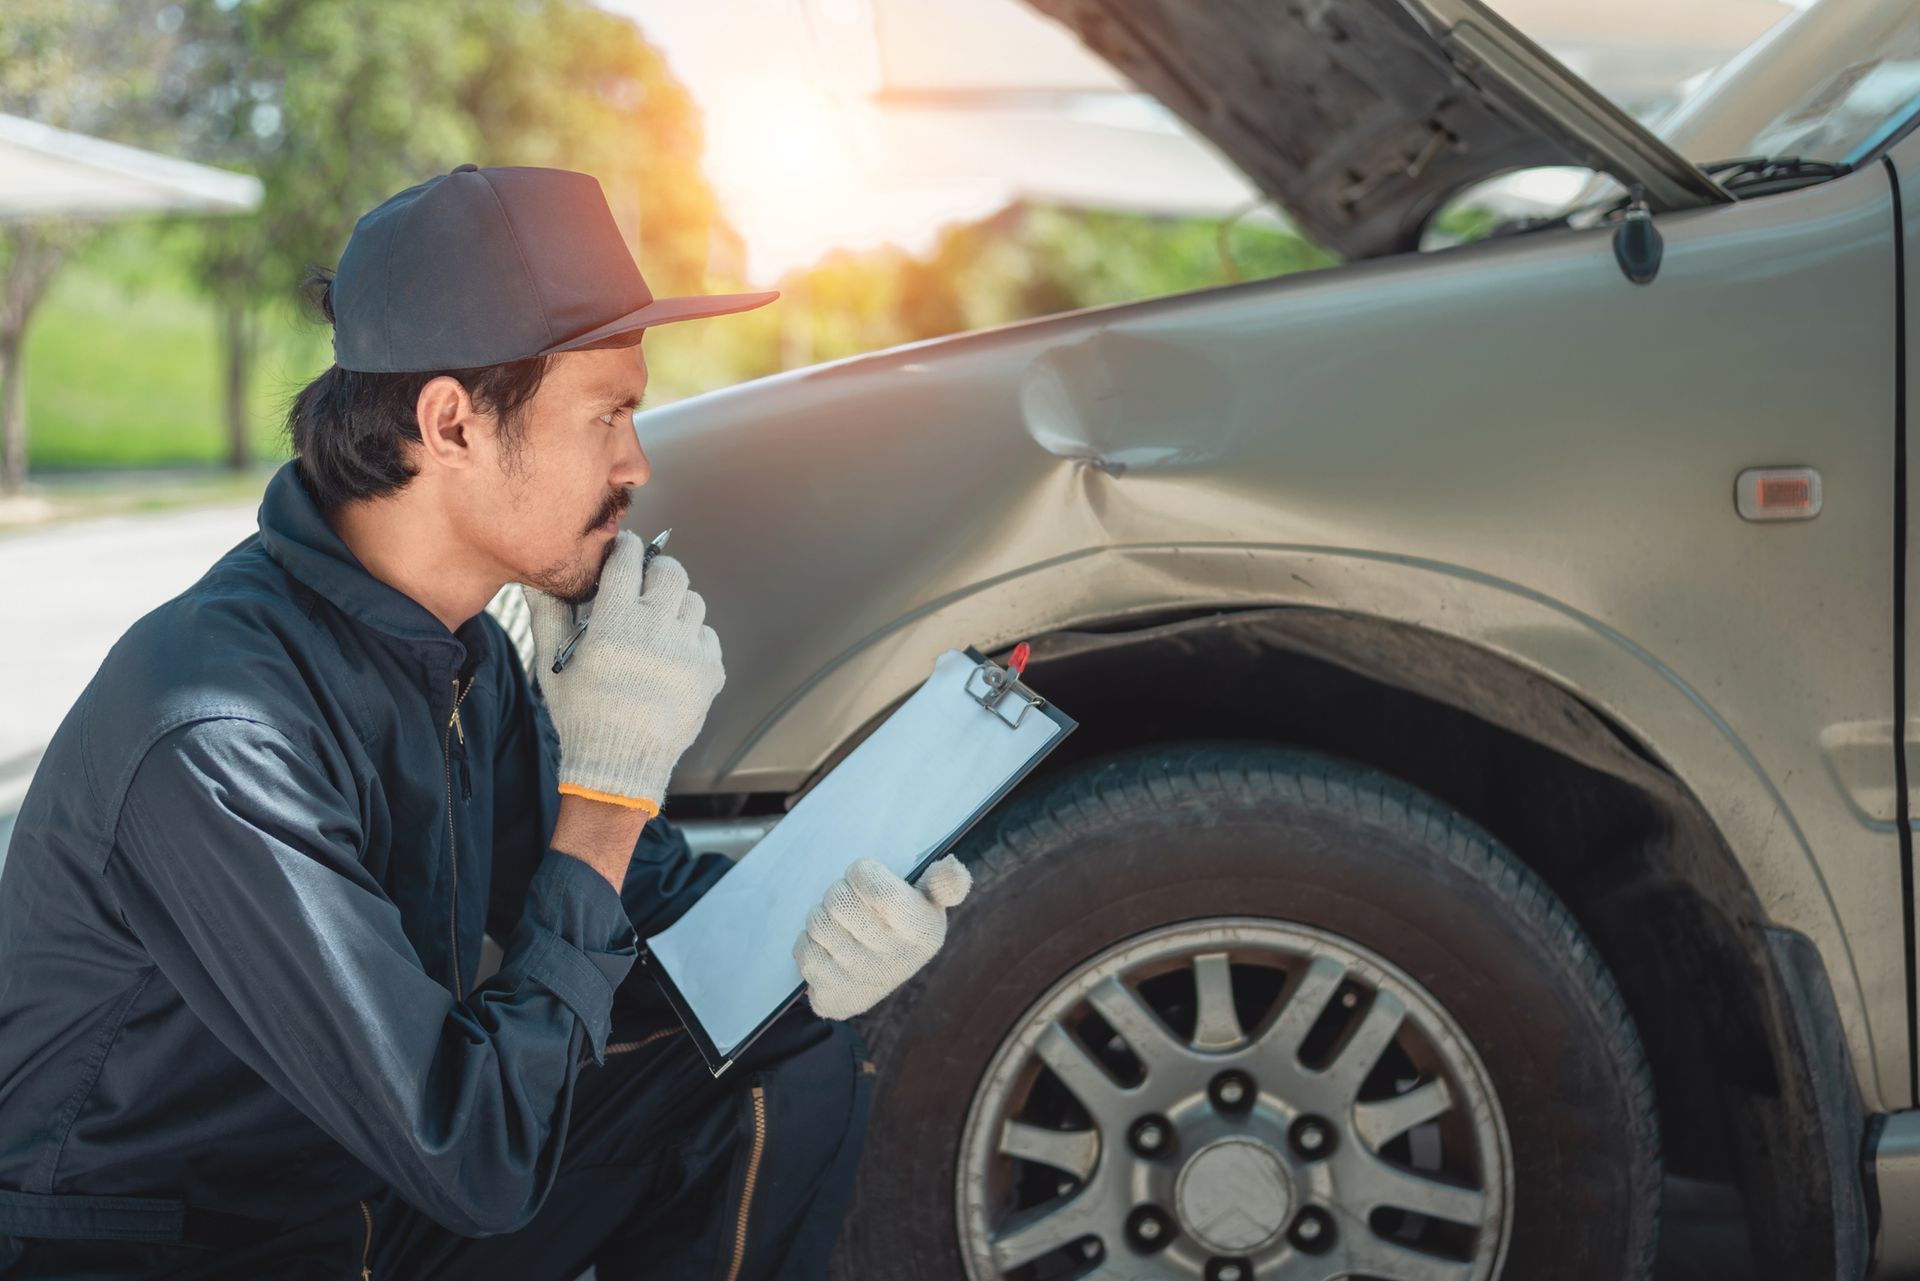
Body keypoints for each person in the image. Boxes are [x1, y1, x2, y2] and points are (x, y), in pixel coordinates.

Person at [0, 164, 971, 1280]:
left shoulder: (461, 658)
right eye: (609, 413)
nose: (636, 463)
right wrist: (604, 793)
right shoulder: (218, 737)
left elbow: (633, 926)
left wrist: (814, 931)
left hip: (363, 1207)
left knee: (779, 1053)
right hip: (175, 1251)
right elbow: (473, 1154)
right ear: (450, 423)